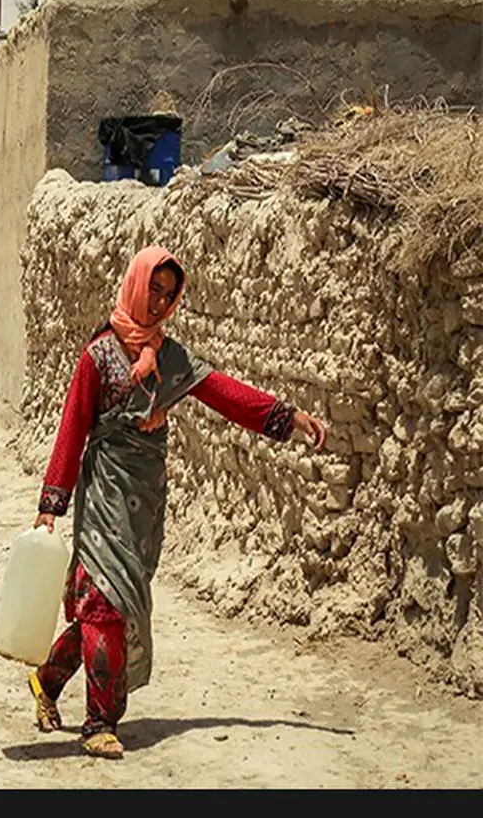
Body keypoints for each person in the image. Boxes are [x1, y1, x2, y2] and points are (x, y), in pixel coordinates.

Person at [26, 245, 328, 760]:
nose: (160, 304)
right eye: (154, 291)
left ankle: (47, 680)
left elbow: (223, 393)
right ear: (136, 287)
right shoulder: (98, 354)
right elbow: (73, 426)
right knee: (103, 605)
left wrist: (286, 417)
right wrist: (53, 502)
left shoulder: (170, 358)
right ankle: (99, 721)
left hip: (143, 499)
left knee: (114, 606)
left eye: (169, 296)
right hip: (103, 495)